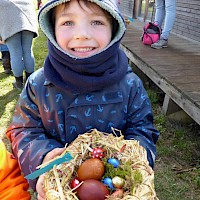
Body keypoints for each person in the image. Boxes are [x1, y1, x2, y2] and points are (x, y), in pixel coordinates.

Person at [6, 0, 160, 199]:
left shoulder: (130, 84)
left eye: (96, 22)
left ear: (114, 28)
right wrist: (43, 159)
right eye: (68, 22)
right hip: (59, 187)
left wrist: (134, 160)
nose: (82, 34)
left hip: (115, 187)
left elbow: (143, 129)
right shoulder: (38, 85)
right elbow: (23, 130)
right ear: (52, 28)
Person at [0, 0, 38, 89]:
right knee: (28, 51)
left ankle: (19, 83)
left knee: (15, 54)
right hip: (27, 23)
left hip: (9, 25)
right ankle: (30, 81)